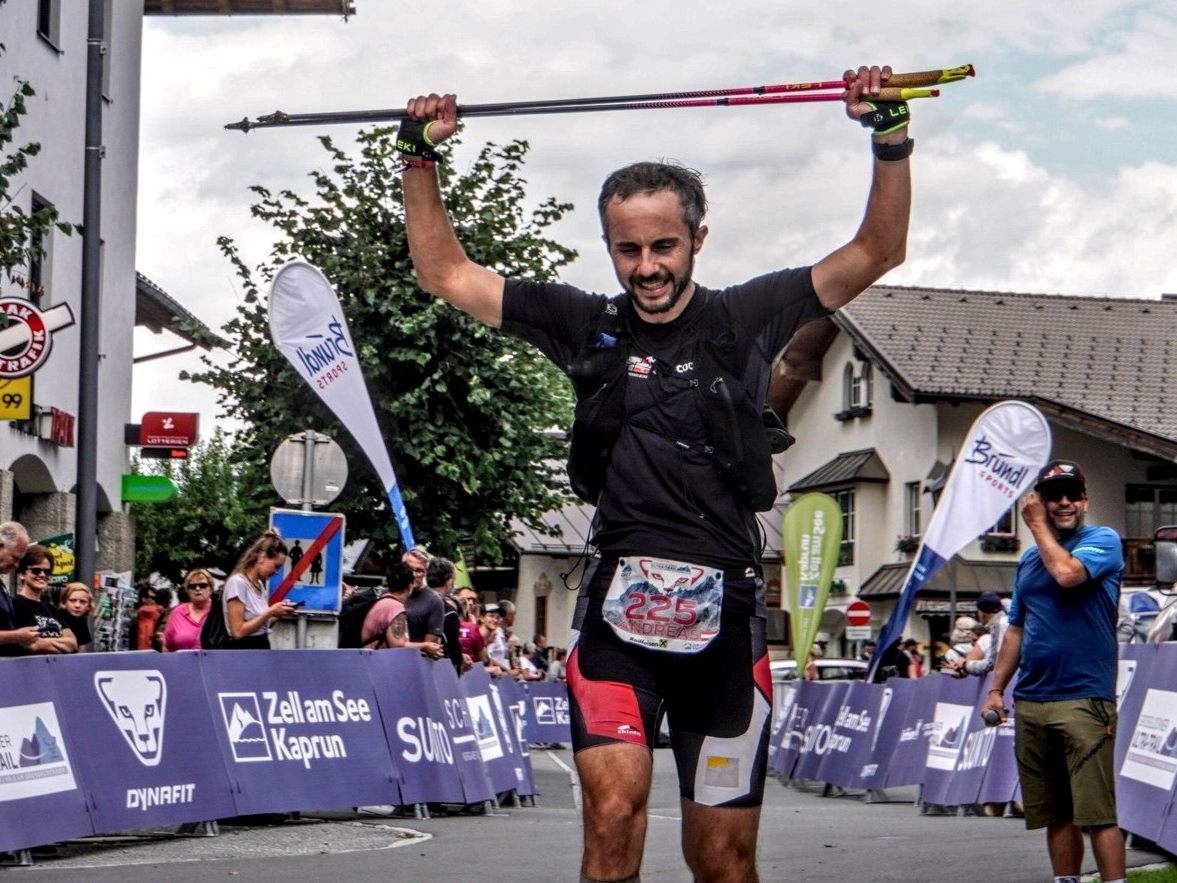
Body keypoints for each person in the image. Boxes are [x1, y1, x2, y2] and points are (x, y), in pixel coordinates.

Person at [401, 61, 913, 882]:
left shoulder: (746, 315)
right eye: (627, 248)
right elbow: (446, 275)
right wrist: (419, 159)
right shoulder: (584, 323)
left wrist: (887, 138)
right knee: (611, 820)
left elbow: (876, 250)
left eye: (663, 245)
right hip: (617, 624)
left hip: (725, 620)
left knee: (722, 860)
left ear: (696, 239)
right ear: (608, 246)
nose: (646, 266)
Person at [983, 460, 1126, 883]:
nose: (1063, 502)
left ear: (1085, 499)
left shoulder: (1102, 540)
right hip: (1032, 699)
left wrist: (1036, 526)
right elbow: (1016, 628)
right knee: (1056, 814)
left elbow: (1067, 575)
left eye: (1071, 494)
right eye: (1053, 495)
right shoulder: (1028, 561)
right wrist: (996, 689)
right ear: (1041, 501)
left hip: (1084, 697)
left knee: (1097, 814)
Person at [224, 528, 299, 649]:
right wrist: (270, 612)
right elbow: (237, 632)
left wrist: (278, 614)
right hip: (243, 652)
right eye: (276, 566)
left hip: (261, 647)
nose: (276, 572)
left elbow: (261, 626)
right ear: (262, 557)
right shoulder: (237, 583)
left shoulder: (259, 585)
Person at [10, 545, 77, 655]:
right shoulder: (15, 604)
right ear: (22, 574)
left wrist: (44, 642)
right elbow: (32, 645)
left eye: (47, 572)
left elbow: (73, 643)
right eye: (36, 570)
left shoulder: (51, 609)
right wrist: (61, 645)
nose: (42, 575)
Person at [946, 592, 1008, 679]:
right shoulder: (1011, 618)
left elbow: (991, 665)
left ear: (982, 613)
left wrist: (965, 665)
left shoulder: (997, 626)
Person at [402, 547, 445, 660]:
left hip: (414, 663)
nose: (414, 574)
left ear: (425, 573)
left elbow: (430, 647)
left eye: (419, 570)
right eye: (410, 569)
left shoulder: (434, 601)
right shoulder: (388, 593)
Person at [359, 561, 413, 649]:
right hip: (380, 661)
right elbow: (398, 645)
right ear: (410, 586)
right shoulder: (395, 607)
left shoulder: (382, 602)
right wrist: (425, 646)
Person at [161, 569, 215, 651]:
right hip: (182, 662)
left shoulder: (218, 611)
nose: (197, 589)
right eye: (192, 586)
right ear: (187, 590)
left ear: (211, 589)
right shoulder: (177, 613)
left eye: (203, 585)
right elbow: (166, 646)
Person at [57, 582, 94, 652]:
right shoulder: (57, 619)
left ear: (88, 606)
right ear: (64, 603)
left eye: (82, 602)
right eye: (72, 601)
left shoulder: (81, 619)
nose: (77, 605)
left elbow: (81, 647)